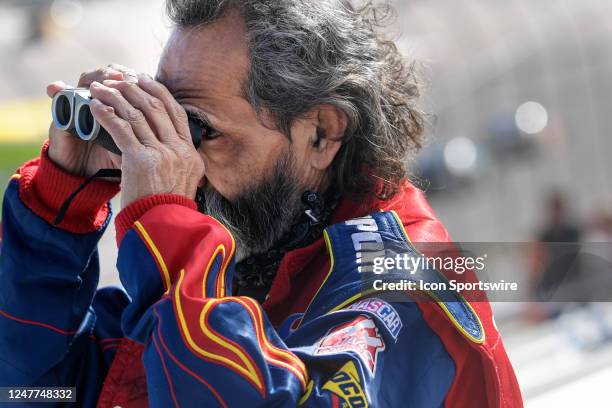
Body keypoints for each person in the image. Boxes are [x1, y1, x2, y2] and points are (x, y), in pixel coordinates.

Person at [0, 1, 522, 406]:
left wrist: (167, 225)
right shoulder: (250, 253)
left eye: (199, 130)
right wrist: (56, 206)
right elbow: (31, 392)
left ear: (320, 133)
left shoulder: (408, 285)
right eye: (168, 125)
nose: (181, 159)